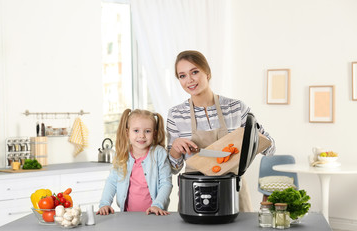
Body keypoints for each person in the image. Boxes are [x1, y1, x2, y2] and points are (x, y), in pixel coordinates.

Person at [166, 50, 276, 212]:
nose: (189, 80)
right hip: (195, 191)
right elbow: (173, 168)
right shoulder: (176, 114)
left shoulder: (236, 108)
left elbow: (271, 148)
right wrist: (175, 148)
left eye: (194, 72)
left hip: (233, 190)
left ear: (207, 73)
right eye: (182, 76)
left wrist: (251, 137)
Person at [98, 109, 173, 216]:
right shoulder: (122, 155)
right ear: (127, 132)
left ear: (154, 134)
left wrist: (158, 205)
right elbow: (112, 182)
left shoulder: (159, 154)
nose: (141, 135)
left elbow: (166, 184)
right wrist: (104, 204)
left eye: (147, 131)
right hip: (128, 217)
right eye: (136, 131)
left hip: (153, 216)